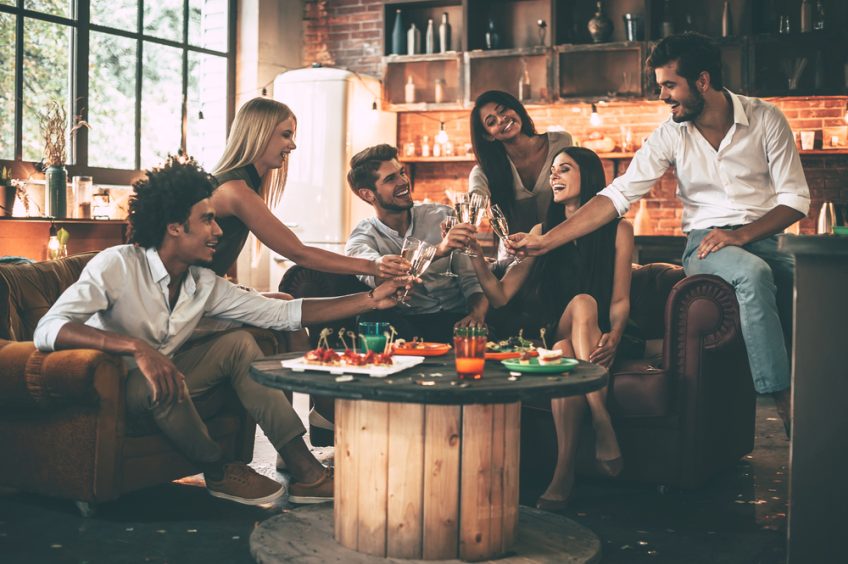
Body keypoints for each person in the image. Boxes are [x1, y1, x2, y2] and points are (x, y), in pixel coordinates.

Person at [33, 158, 411, 506]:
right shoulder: (117, 265)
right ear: (174, 227)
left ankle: (306, 473)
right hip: (117, 385)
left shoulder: (202, 283)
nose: (218, 230)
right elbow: (48, 328)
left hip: (172, 373)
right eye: (207, 220)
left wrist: (372, 300)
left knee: (239, 345)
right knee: (162, 379)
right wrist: (135, 347)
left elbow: (282, 313)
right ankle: (217, 469)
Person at [507, 33, 809, 435]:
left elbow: (795, 199)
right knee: (753, 275)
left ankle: (822, 401)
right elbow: (617, 195)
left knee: (815, 291)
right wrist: (545, 241)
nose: (662, 95)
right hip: (707, 244)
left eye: (670, 85)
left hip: (765, 236)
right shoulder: (670, 134)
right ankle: (782, 403)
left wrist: (743, 235)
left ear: (702, 81)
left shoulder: (766, 118)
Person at [467, 147, 633, 510]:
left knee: (564, 355)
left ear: (587, 176)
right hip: (553, 322)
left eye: (564, 170)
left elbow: (620, 299)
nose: (553, 177)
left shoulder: (619, 229)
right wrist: (473, 254)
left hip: (591, 334)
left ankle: (563, 473)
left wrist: (616, 334)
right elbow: (500, 296)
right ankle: (603, 420)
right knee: (582, 302)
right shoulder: (542, 231)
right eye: (552, 171)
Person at [208, 97, 409, 281]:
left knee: (285, 301)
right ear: (260, 134)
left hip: (208, 287)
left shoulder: (242, 184)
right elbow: (299, 253)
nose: (292, 145)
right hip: (192, 295)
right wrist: (374, 266)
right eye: (286, 135)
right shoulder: (236, 190)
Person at [345, 144, 488, 342]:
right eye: (390, 179)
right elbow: (380, 271)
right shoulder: (361, 239)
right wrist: (439, 250)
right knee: (373, 317)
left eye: (401, 173)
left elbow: (472, 280)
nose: (403, 181)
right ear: (368, 194)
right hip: (404, 326)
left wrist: (476, 315)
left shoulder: (442, 216)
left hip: (456, 320)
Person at [468, 90, 573, 269]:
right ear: (488, 135)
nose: (501, 119)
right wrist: (470, 214)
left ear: (516, 110)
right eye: (491, 122)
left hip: (561, 249)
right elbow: (475, 199)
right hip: (516, 258)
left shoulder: (561, 142)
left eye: (503, 110)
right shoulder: (485, 171)